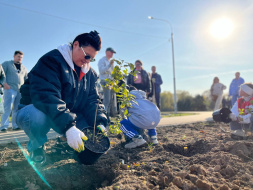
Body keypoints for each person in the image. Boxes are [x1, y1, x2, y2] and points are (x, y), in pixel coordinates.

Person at [16, 31, 108, 164]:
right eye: (86, 55)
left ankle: (66, 143)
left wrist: (99, 121)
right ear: (76, 45)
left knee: (90, 129)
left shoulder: (90, 74)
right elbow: (46, 96)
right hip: (37, 109)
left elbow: (93, 100)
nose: (87, 61)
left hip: (64, 114)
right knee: (37, 117)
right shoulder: (51, 61)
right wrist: (69, 127)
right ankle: (36, 147)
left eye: (91, 59)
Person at [0, 51, 28, 132]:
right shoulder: (7, 64)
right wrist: (4, 83)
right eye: (18, 56)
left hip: (20, 91)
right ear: (14, 56)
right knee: (7, 108)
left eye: (21, 57)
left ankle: (15, 125)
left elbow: (26, 79)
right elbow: (1, 74)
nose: (20, 58)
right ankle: (3, 127)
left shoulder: (24, 68)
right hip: (9, 89)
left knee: (16, 109)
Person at [98, 47, 117, 117]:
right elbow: (101, 71)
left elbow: (111, 73)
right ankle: (105, 115)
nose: (112, 54)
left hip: (111, 82)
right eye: (111, 52)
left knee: (112, 99)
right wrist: (109, 65)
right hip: (105, 82)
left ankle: (111, 114)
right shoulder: (102, 60)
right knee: (107, 100)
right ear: (107, 52)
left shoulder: (110, 61)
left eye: (113, 53)